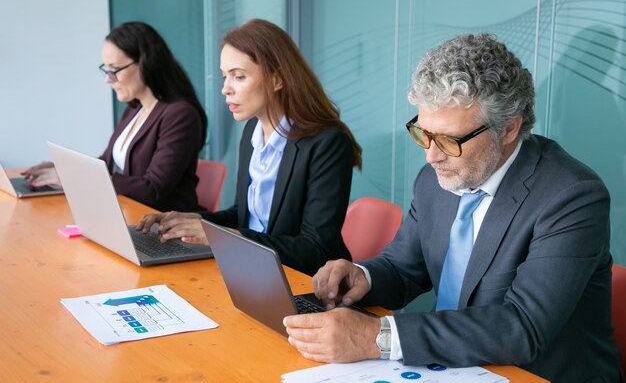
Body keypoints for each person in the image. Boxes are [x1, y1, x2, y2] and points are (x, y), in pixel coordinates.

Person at [283, 34, 624, 383]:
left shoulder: (571, 196)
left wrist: (377, 337)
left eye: (449, 140)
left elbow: (522, 327)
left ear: (509, 128)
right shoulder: (438, 178)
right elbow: (404, 267)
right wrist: (362, 277)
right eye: (424, 133)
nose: (431, 155)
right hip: (448, 367)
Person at [137, 19, 361, 276]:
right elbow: (245, 216)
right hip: (250, 270)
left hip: (301, 281)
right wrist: (191, 221)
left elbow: (315, 249)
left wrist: (222, 237)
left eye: (239, 76)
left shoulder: (327, 143)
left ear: (277, 79)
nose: (225, 89)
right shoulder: (252, 132)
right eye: (225, 76)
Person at [23, 22, 208, 212]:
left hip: (162, 226)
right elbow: (106, 163)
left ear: (146, 63)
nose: (108, 78)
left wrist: (77, 178)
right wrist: (65, 169)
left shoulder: (180, 115)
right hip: (128, 214)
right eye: (106, 69)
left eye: (115, 69)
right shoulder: (134, 109)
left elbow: (153, 189)